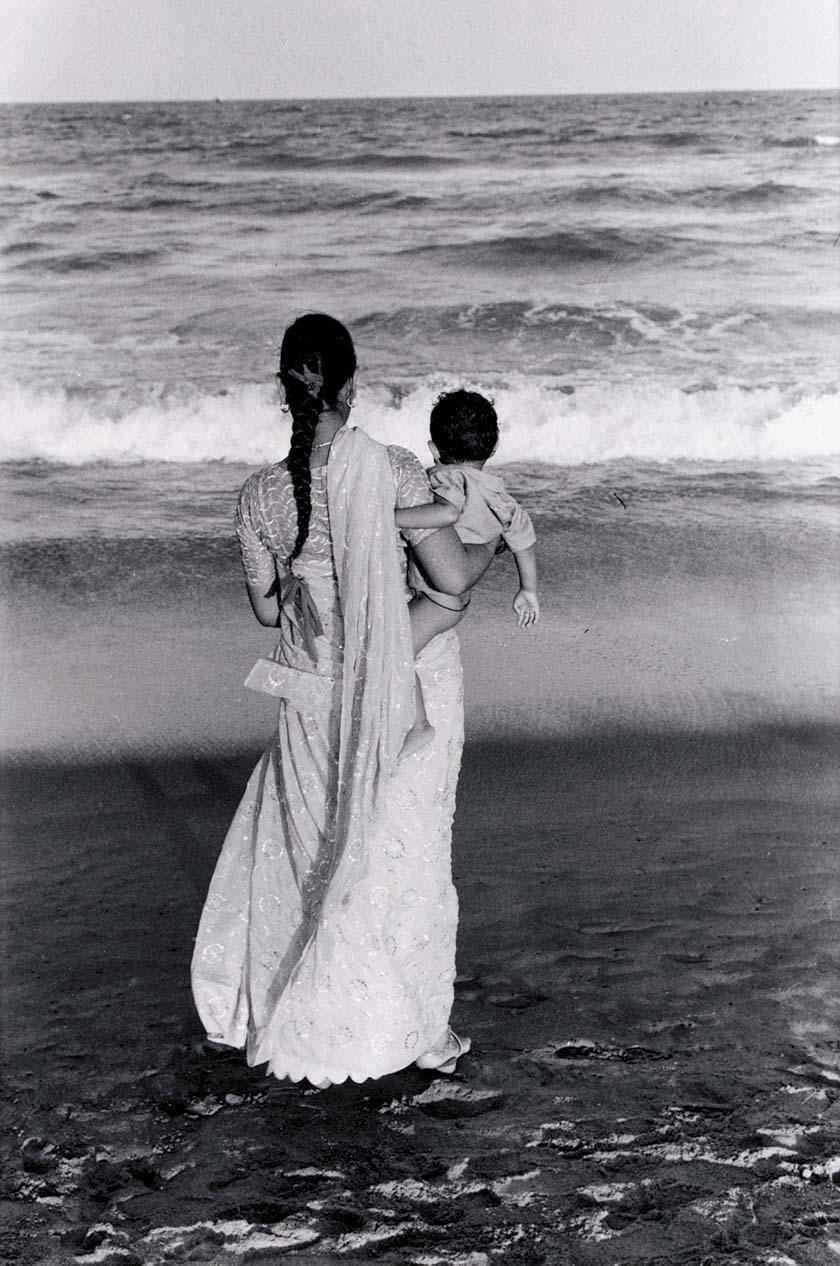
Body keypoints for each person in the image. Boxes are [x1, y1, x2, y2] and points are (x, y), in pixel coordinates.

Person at [191, 315, 495, 1088]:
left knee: (314, 850)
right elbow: (452, 577)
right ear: (352, 387)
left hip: (308, 695)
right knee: (401, 850)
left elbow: (268, 612)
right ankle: (412, 1030)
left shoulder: (258, 496)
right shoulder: (390, 468)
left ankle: (304, 1009)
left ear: (283, 390)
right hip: (385, 689)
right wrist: (496, 536)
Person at [395, 389, 539, 758]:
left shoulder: (447, 479)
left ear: (433, 448)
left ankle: (419, 724)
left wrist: (390, 517)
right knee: (399, 648)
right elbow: (523, 537)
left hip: (437, 600)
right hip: (449, 601)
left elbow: (445, 514)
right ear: (493, 448)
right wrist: (528, 589)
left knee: (394, 649)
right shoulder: (499, 495)